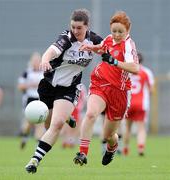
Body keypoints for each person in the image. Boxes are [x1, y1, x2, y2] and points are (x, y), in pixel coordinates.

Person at [25, 9, 106, 173]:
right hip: (48, 85)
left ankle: (34, 160)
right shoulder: (66, 38)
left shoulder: (95, 39)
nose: (75, 31)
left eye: (79, 28)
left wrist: (106, 52)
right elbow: (51, 51)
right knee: (48, 125)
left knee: (56, 124)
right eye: (73, 27)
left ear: (87, 27)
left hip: (69, 87)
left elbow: (109, 49)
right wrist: (45, 60)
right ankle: (66, 115)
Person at [73, 11, 139, 166]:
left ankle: (112, 147)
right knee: (90, 114)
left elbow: (135, 68)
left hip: (119, 92)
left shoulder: (128, 45)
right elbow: (102, 48)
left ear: (127, 31)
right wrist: (90, 48)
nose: (116, 34)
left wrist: (115, 62)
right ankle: (83, 153)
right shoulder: (109, 39)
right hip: (100, 83)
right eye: (114, 31)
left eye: (120, 32)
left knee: (108, 135)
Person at [123, 52, 155, 156]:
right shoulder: (146, 72)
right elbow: (151, 90)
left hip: (128, 103)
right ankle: (140, 149)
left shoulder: (127, 71)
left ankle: (125, 149)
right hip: (141, 104)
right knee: (141, 128)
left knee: (128, 127)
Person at [18, 52, 45, 149]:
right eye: (34, 60)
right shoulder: (27, 73)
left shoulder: (44, 72)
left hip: (41, 98)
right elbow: (20, 87)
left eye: (38, 60)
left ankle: (38, 144)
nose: (36, 62)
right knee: (29, 121)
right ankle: (25, 136)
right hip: (29, 99)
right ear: (31, 62)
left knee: (41, 121)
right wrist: (31, 85)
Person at [61, 83, 87, 148]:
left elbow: (83, 98)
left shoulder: (80, 86)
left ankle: (69, 140)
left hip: (74, 107)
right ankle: (69, 140)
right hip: (73, 107)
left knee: (71, 124)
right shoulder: (79, 86)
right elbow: (84, 98)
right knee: (72, 124)